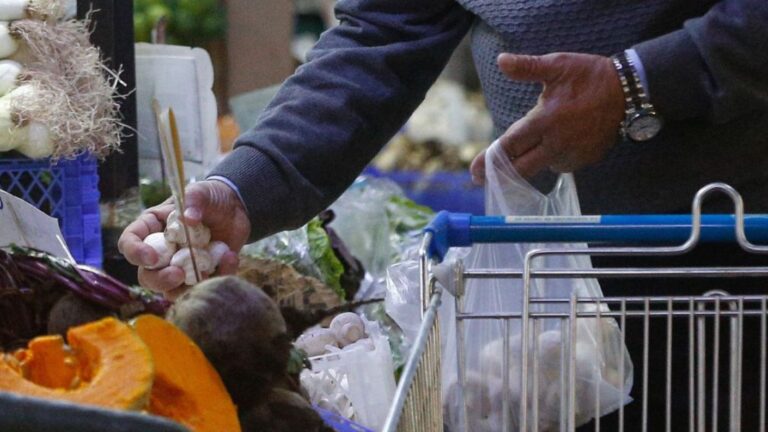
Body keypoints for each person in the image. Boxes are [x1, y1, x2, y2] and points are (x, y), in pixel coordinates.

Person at [119, 0, 768, 429]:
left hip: (735, 264)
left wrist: (643, 83)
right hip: (565, 291)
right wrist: (241, 191)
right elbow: (383, 34)